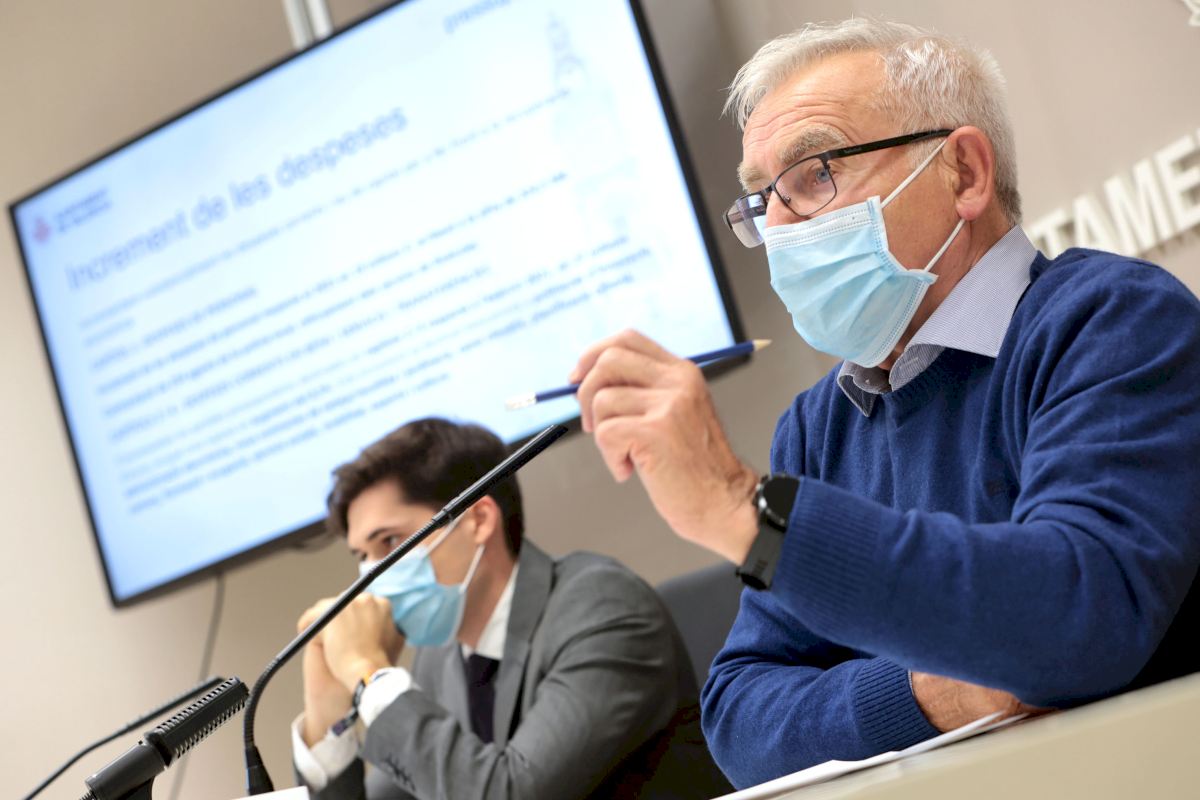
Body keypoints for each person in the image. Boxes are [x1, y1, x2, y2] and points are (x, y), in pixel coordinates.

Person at [568, 18, 1200, 789]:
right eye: (762, 199)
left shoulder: (1111, 320)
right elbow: (739, 714)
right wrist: (929, 696)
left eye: (815, 173)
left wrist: (743, 508)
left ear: (964, 173)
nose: (779, 227)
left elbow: (1079, 617)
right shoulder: (817, 424)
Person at [291, 417, 730, 799]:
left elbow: (511, 792)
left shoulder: (603, 608)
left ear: (478, 520)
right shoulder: (439, 659)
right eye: (362, 556)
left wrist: (369, 671)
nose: (371, 576)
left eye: (389, 542)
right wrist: (328, 712)